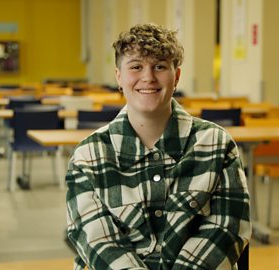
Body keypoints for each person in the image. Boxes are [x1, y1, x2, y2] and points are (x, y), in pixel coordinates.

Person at [66, 23, 251, 270]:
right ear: (119, 76)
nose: (148, 77)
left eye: (160, 66)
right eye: (136, 67)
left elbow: (226, 226)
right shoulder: (88, 157)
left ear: (177, 76)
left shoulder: (217, 144)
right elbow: (97, 241)